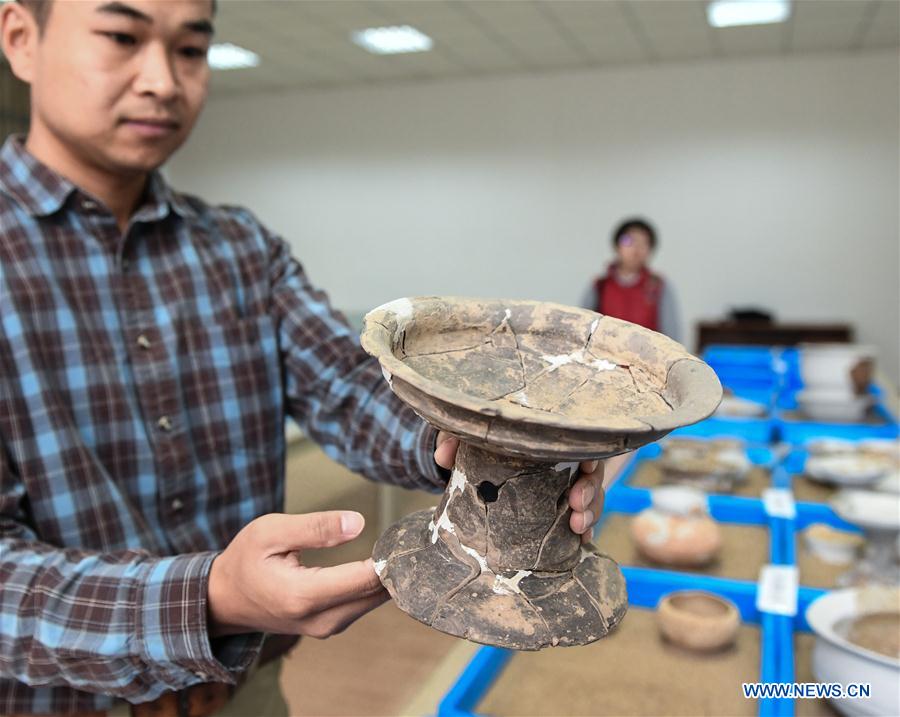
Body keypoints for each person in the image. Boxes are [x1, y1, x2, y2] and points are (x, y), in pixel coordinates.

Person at [0, 2, 607, 715]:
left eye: (191, 50)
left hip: (243, 688)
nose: (162, 80)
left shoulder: (241, 249)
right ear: (20, 39)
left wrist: (482, 443)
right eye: (121, 37)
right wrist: (209, 599)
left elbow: (348, 388)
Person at [581, 218, 682, 343]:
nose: (636, 249)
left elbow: (672, 338)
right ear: (617, 246)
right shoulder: (600, 285)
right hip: (603, 358)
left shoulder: (659, 286)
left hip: (647, 359)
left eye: (644, 243)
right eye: (629, 241)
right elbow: (583, 330)